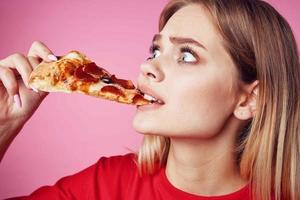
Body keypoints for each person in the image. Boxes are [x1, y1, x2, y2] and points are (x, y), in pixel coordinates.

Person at [0, 0, 299, 199]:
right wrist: (5, 123)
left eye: (186, 55)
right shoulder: (105, 186)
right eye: (155, 51)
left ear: (249, 100)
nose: (147, 67)